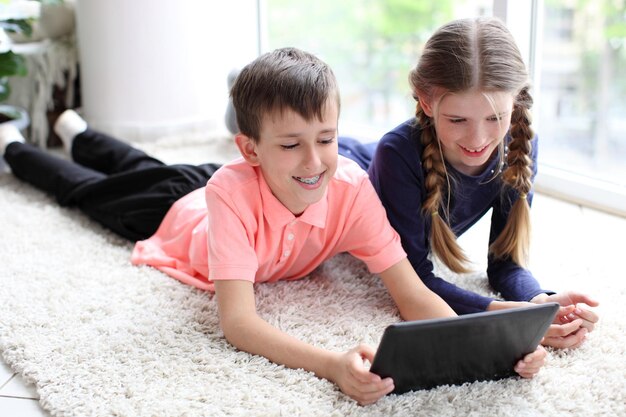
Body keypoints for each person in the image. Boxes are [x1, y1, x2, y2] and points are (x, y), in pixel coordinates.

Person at [0, 47, 546, 405]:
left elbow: (411, 292)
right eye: (290, 144)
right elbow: (238, 323)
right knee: (89, 192)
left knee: (147, 167)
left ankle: (78, 129)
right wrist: (332, 364)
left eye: (326, 139)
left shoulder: (351, 188)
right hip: (179, 216)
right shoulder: (228, 193)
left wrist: (494, 347)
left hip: (230, 183)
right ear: (250, 148)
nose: (314, 162)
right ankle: (19, 146)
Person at [338, 17, 599, 349]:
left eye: (495, 118)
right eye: (457, 119)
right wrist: (503, 315)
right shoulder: (397, 154)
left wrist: (536, 302)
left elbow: (504, 263)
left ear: (516, 100)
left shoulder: (519, 147)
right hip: (346, 168)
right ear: (425, 100)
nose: (478, 139)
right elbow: (414, 279)